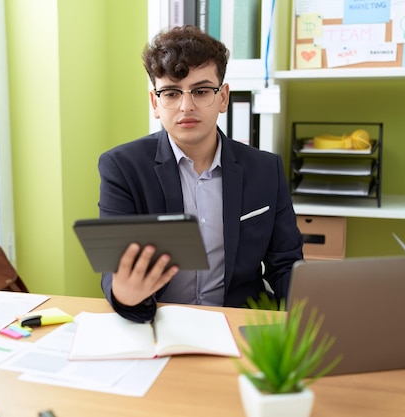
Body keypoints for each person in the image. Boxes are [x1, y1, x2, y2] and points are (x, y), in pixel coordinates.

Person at [98, 25, 303, 323]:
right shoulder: (122, 168)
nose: (186, 106)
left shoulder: (265, 170)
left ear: (223, 97)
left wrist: (316, 310)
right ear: (156, 103)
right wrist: (123, 295)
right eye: (171, 93)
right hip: (158, 323)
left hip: (237, 324)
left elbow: (285, 265)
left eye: (201, 91)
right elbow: (116, 271)